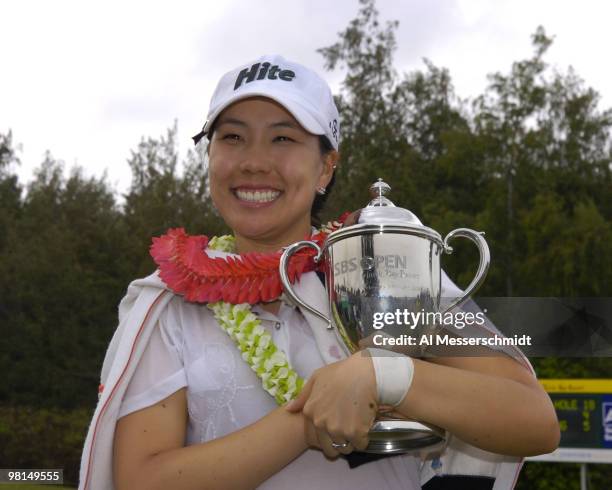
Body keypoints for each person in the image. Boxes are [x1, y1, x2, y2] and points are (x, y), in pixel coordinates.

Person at [79, 54, 560, 490]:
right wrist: (309, 421)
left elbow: (533, 419)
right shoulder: (170, 302)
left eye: (283, 138)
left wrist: (385, 377)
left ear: (326, 166)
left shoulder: (386, 266)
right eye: (232, 137)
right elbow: (141, 479)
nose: (253, 161)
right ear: (210, 156)